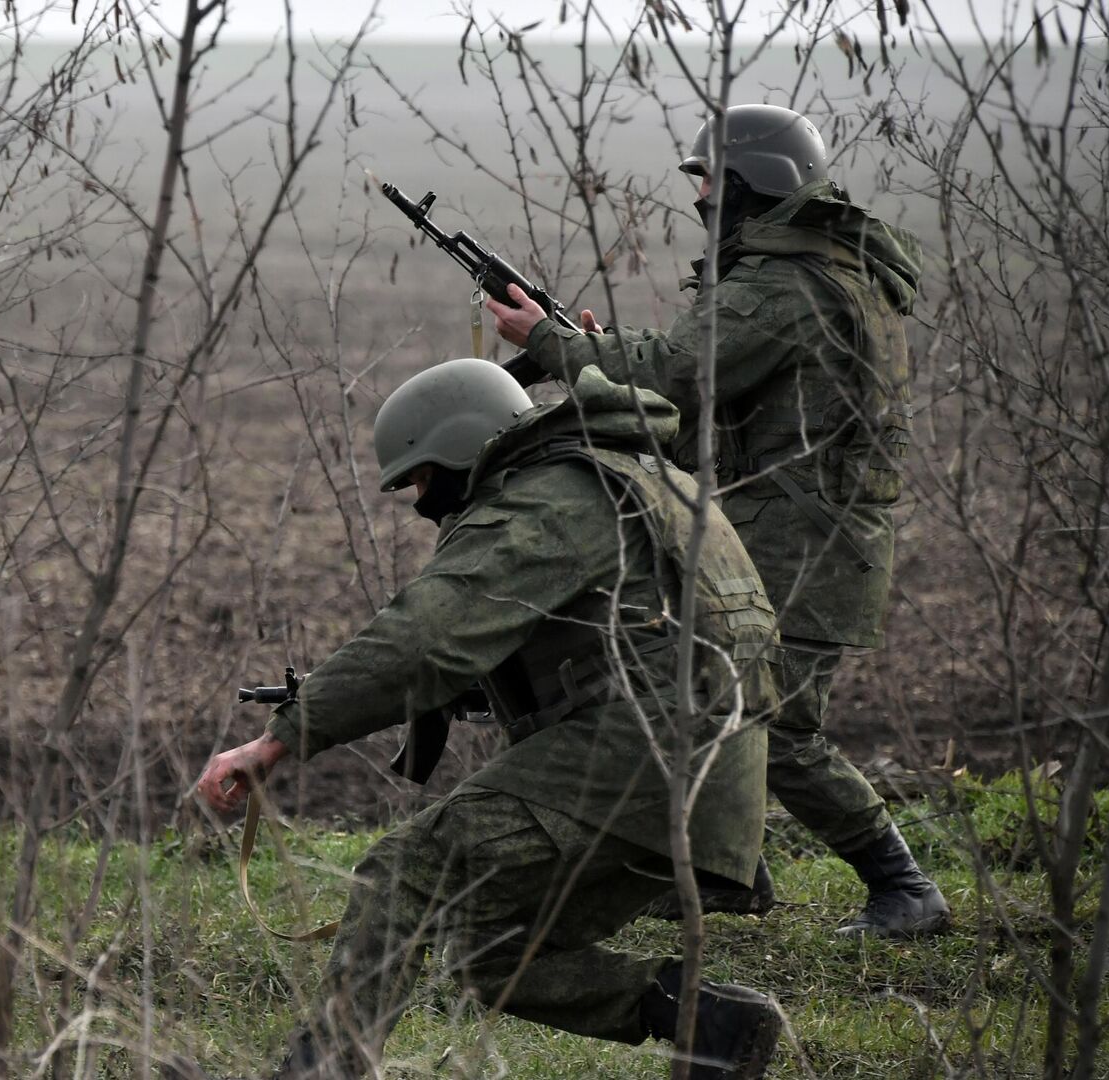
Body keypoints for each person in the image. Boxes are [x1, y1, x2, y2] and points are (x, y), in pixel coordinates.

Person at [197, 358, 784, 1079]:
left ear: (458, 448)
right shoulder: (633, 480)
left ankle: (324, 1069)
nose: (421, 501)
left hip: (646, 755)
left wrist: (280, 739)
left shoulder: (551, 501)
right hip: (712, 773)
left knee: (406, 868)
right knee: (488, 944)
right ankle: (711, 1024)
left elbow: (424, 640)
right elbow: (617, 644)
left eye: (419, 479)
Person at [485, 103, 950, 939]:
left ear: (748, 184)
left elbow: (675, 373)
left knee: (778, 726)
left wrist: (555, 346)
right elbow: (711, 402)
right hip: (791, 531)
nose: (700, 197)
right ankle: (731, 874)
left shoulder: (786, 283)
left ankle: (904, 887)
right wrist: (595, 351)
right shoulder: (818, 268)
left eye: (708, 180)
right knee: (707, 696)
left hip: (805, 540)